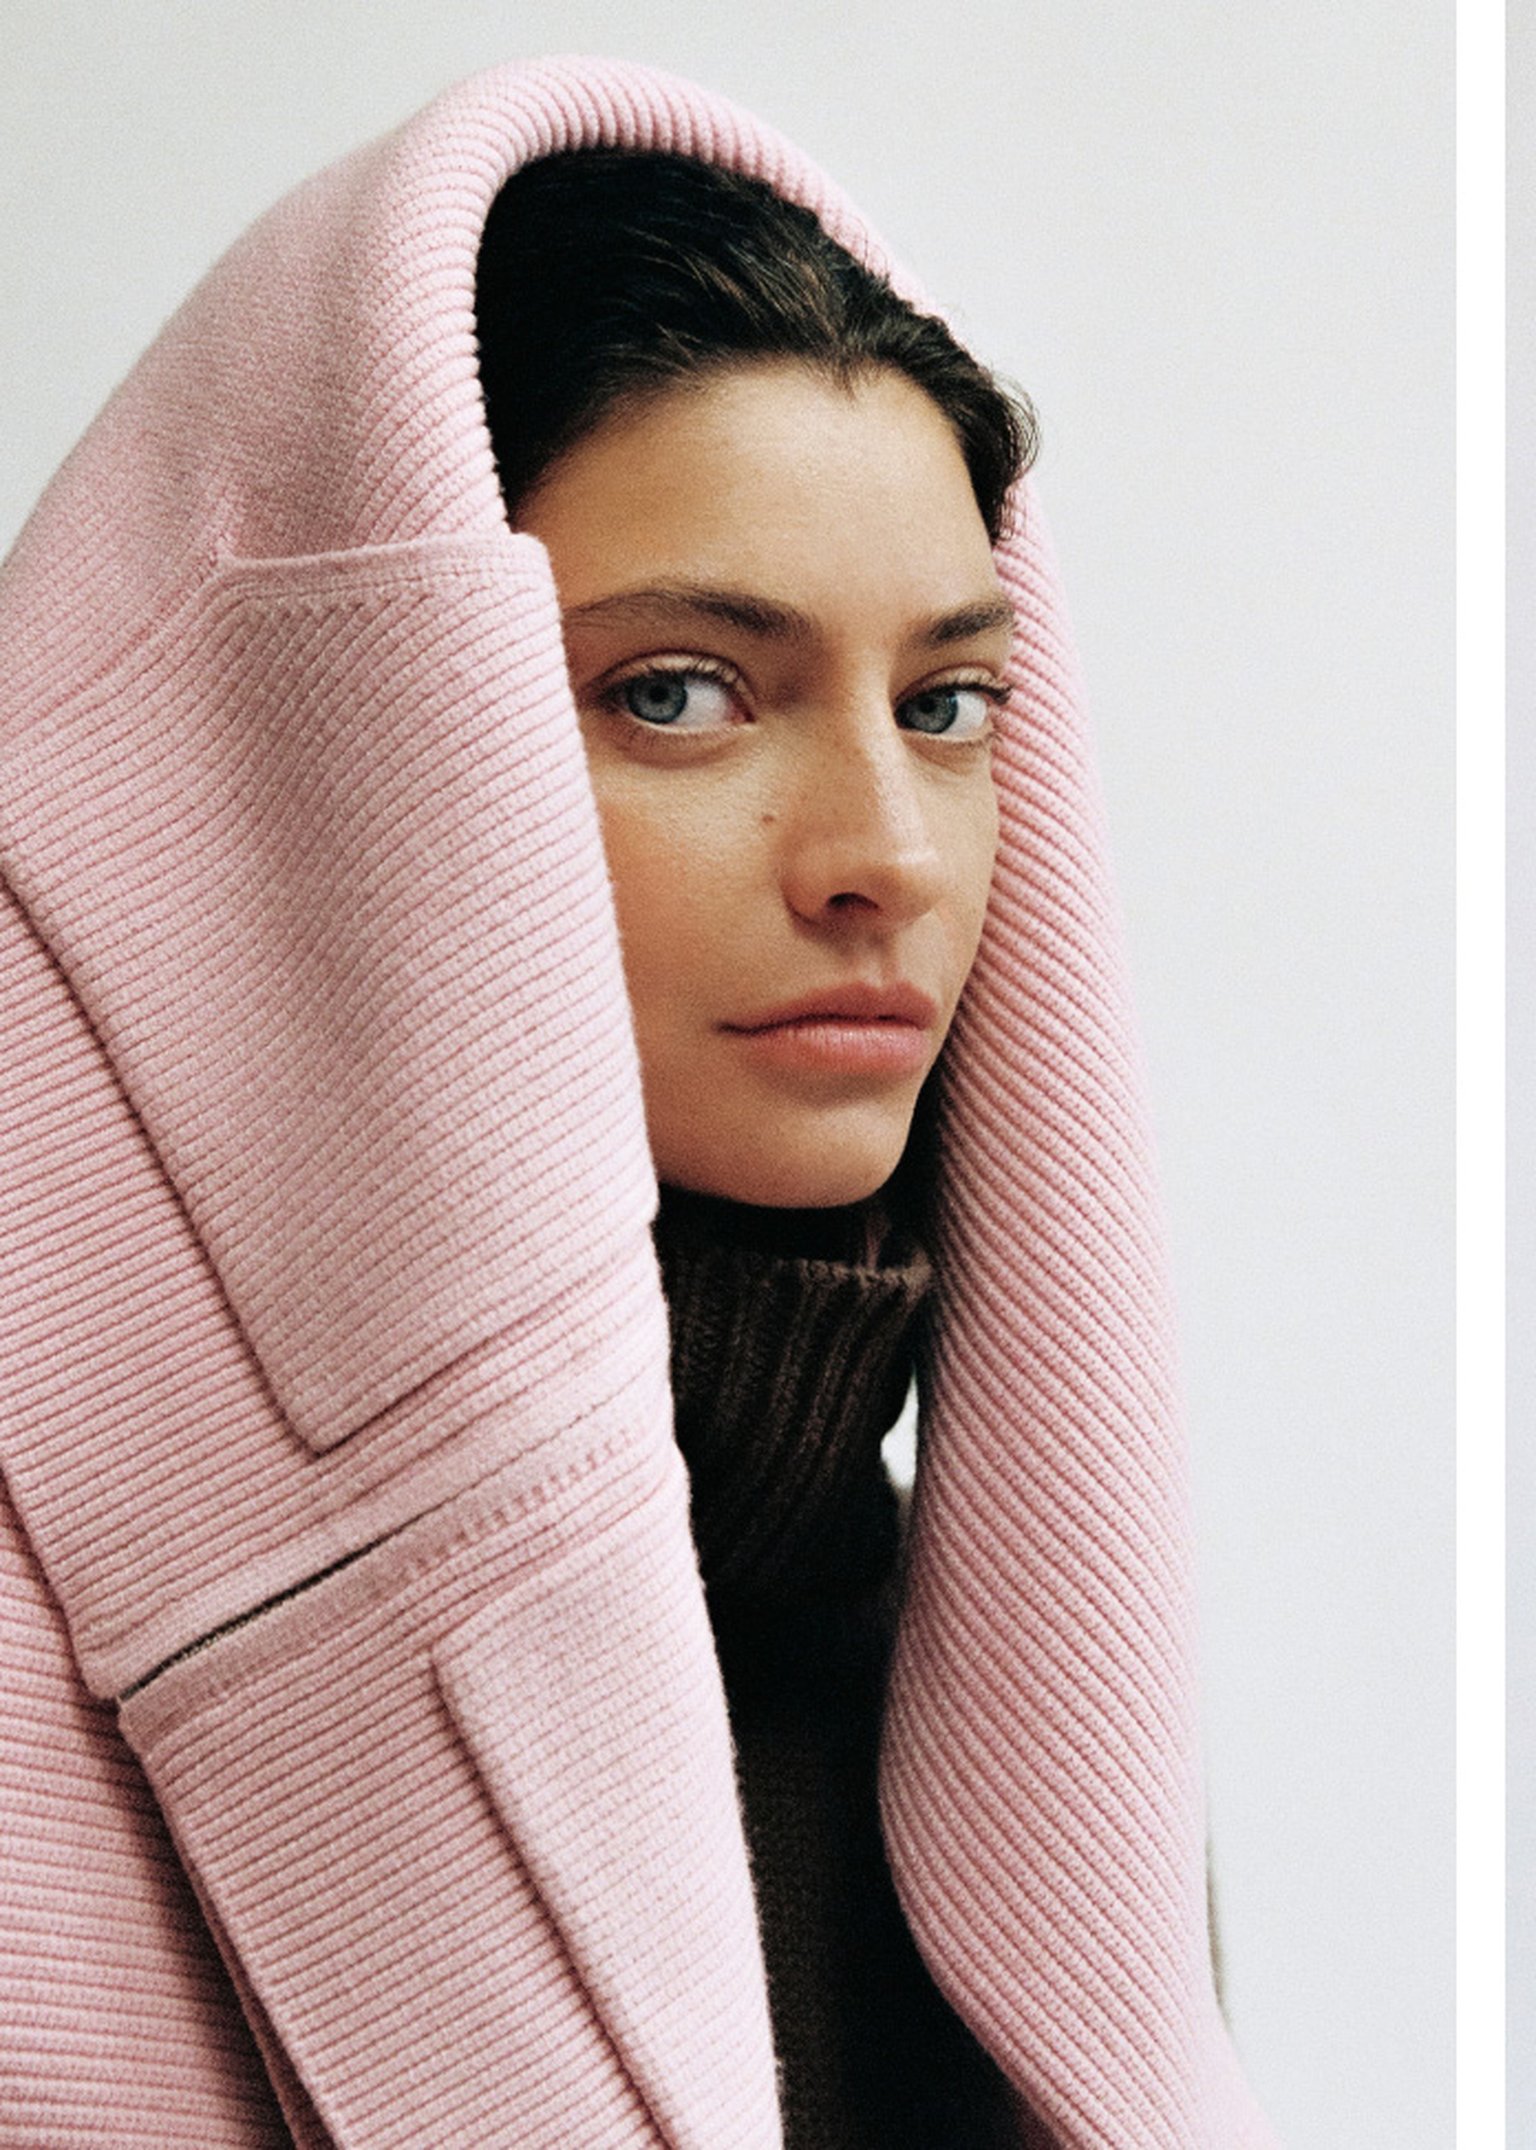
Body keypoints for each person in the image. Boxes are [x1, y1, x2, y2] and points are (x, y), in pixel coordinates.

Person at [0, 55, 1276, 2150]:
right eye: (677, 691)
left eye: (950, 702)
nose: (889, 851)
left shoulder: (990, 1659)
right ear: (324, 750)